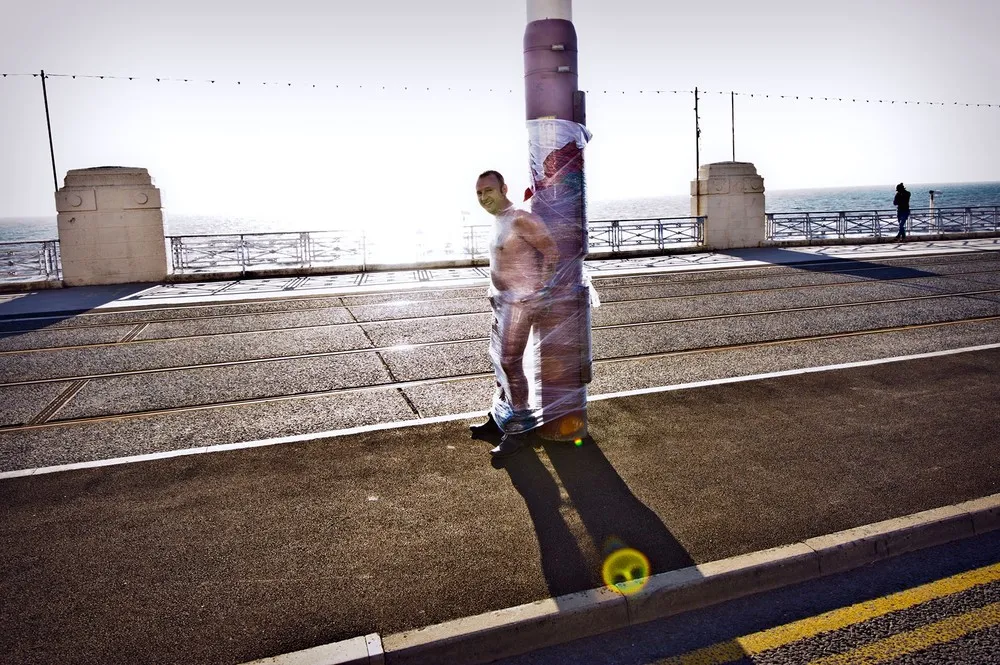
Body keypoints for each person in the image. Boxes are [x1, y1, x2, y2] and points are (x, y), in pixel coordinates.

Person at [470, 170, 559, 458]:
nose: (484, 198)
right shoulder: (499, 221)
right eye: (479, 193)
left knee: (509, 362)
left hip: (520, 303)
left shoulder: (520, 217)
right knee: (498, 362)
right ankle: (500, 417)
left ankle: (519, 431)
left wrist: (541, 292)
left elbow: (551, 252)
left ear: (504, 188)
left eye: (489, 191)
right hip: (501, 301)